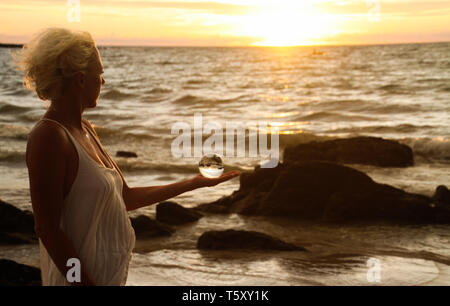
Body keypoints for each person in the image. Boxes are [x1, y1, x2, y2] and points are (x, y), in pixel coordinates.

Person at [16, 28, 240, 286]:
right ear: (80, 79)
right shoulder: (50, 137)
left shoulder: (86, 129)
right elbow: (48, 230)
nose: (103, 81)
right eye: (99, 73)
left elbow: (126, 197)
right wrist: (83, 283)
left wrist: (193, 183)